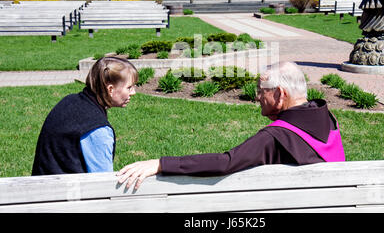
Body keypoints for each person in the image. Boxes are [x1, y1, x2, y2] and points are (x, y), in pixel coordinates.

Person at [117, 61, 345, 190]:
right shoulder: (329, 119)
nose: (257, 97)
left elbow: (226, 162)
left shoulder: (276, 137)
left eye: (261, 91)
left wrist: (160, 163)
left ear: (279, 93)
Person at [32, 57, 138, 175]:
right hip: (67, 191)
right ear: (110, 89)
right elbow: (102, 182)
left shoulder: (69, 101)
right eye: (129, 87)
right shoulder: (98, 129)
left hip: (43, 186)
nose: (133, 92)